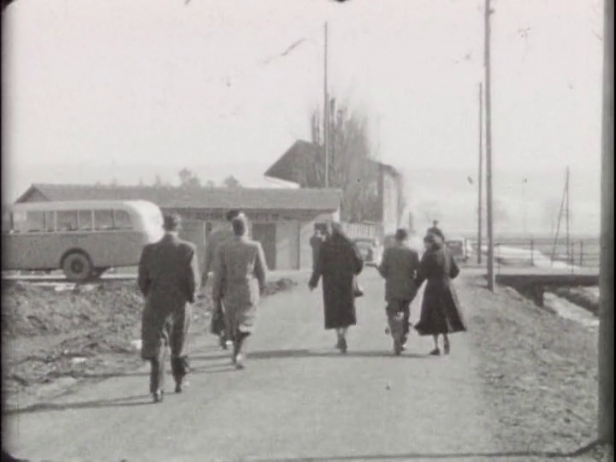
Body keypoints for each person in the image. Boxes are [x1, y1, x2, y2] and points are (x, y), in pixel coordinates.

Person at [138, 213, 200, 403]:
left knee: (158, 345)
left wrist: (151, 294)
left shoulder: (149, 250)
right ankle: (180, 381)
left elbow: (142, 280)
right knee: (179, 341)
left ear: (163, 227)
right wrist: (191, 297)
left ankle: (157, 389)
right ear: (178, 227)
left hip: (156, 302)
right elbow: (193, 279)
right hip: (179, 302)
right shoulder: (188, 249)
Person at [212, 215, 267, 369]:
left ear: (233, 229)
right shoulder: (254, 246)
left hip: (229, 290)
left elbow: (219, 273)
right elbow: (262, 272)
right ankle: (239, 352)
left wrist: (216, 294)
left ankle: (236, 351)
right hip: (248, 289)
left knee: (234, 322)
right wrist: (262, 288)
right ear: (246, 229)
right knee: (246, 323)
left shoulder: (223, 247)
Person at [308, 221, 364, 353]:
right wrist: (355, 271)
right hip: (346, 281)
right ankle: (344, 335)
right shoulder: (350, 244)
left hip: (330, 283)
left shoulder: (326, 245)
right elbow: (359, 262)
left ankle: (339, 336)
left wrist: (313, 282)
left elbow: (319, 266)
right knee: (346, 310)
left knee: (334, 310)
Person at [414, 233, 467, 356]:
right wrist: (447, 278)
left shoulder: (428, 254)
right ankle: (446, 338)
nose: (424, 246)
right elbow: (456, 271)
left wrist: (415, 285)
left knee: (433, 315)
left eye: (425, 243)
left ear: (429, 243)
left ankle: (436, 346)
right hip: (447, 286)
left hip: (433, 287)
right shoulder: (446, 252)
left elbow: (422, 273)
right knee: (446, 313)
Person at [201, 209, 243, 350]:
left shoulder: (214, 236)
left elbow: (207, 258)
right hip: (235, 277)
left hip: (220, 276)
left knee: (220, 306)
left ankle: (224, 335)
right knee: (235, 307)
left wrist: (204, 276)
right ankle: (233, 336)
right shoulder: (240, 235)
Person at [378, 228, 421, 355]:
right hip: (407, 288)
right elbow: (418, 270)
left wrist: (388, 276)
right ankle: (403, 337)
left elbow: (383, 270)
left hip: (392, 287)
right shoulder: (413, 253)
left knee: (392, 312)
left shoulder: (388, 252)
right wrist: (414, 284)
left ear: (396, 238)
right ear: (407, 238)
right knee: (405, 312)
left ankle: (396, 334)